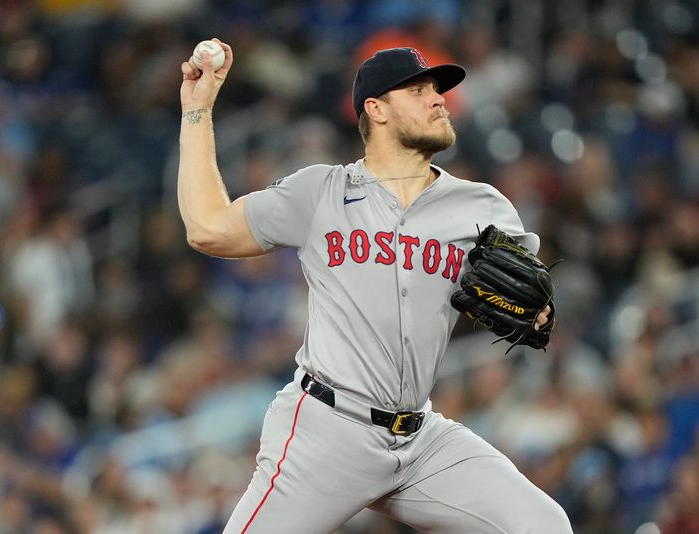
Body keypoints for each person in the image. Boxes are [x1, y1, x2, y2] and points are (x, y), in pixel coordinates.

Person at [178, 39, 572, 534]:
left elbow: (531, 297)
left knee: (543, 525)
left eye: (438, 89)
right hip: (329, 429)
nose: (438, 98)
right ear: (376, 109)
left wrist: (540, 313)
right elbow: (207, 227)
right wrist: (197, 111)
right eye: (419, 90)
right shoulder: (321, 192)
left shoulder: (482, 207)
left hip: (420, 439)